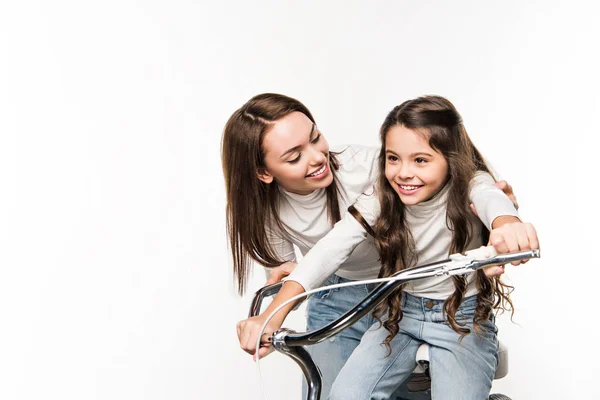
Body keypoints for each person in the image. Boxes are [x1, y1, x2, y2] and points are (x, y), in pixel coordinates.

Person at [224, 93, 521, 398]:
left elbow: (475, 184)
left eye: (315, 138)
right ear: (263, 172)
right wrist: (274, 310)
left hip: (398, 290)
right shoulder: (263, 209)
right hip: (346, 297)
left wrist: (502, 217)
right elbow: (325, 253)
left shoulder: (371, 169)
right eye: (294, 156)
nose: (316, 157)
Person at [307, 95, 539, 399]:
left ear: (451, 159)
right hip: (399, 313)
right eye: (393, 158)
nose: (404, 172)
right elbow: (332, 246)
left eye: (420, 160)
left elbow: (492, 200)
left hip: (461, 318)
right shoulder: (384, 194)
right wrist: (273, 310)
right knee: (345, 395)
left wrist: (507, 224)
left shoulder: (472, 184)